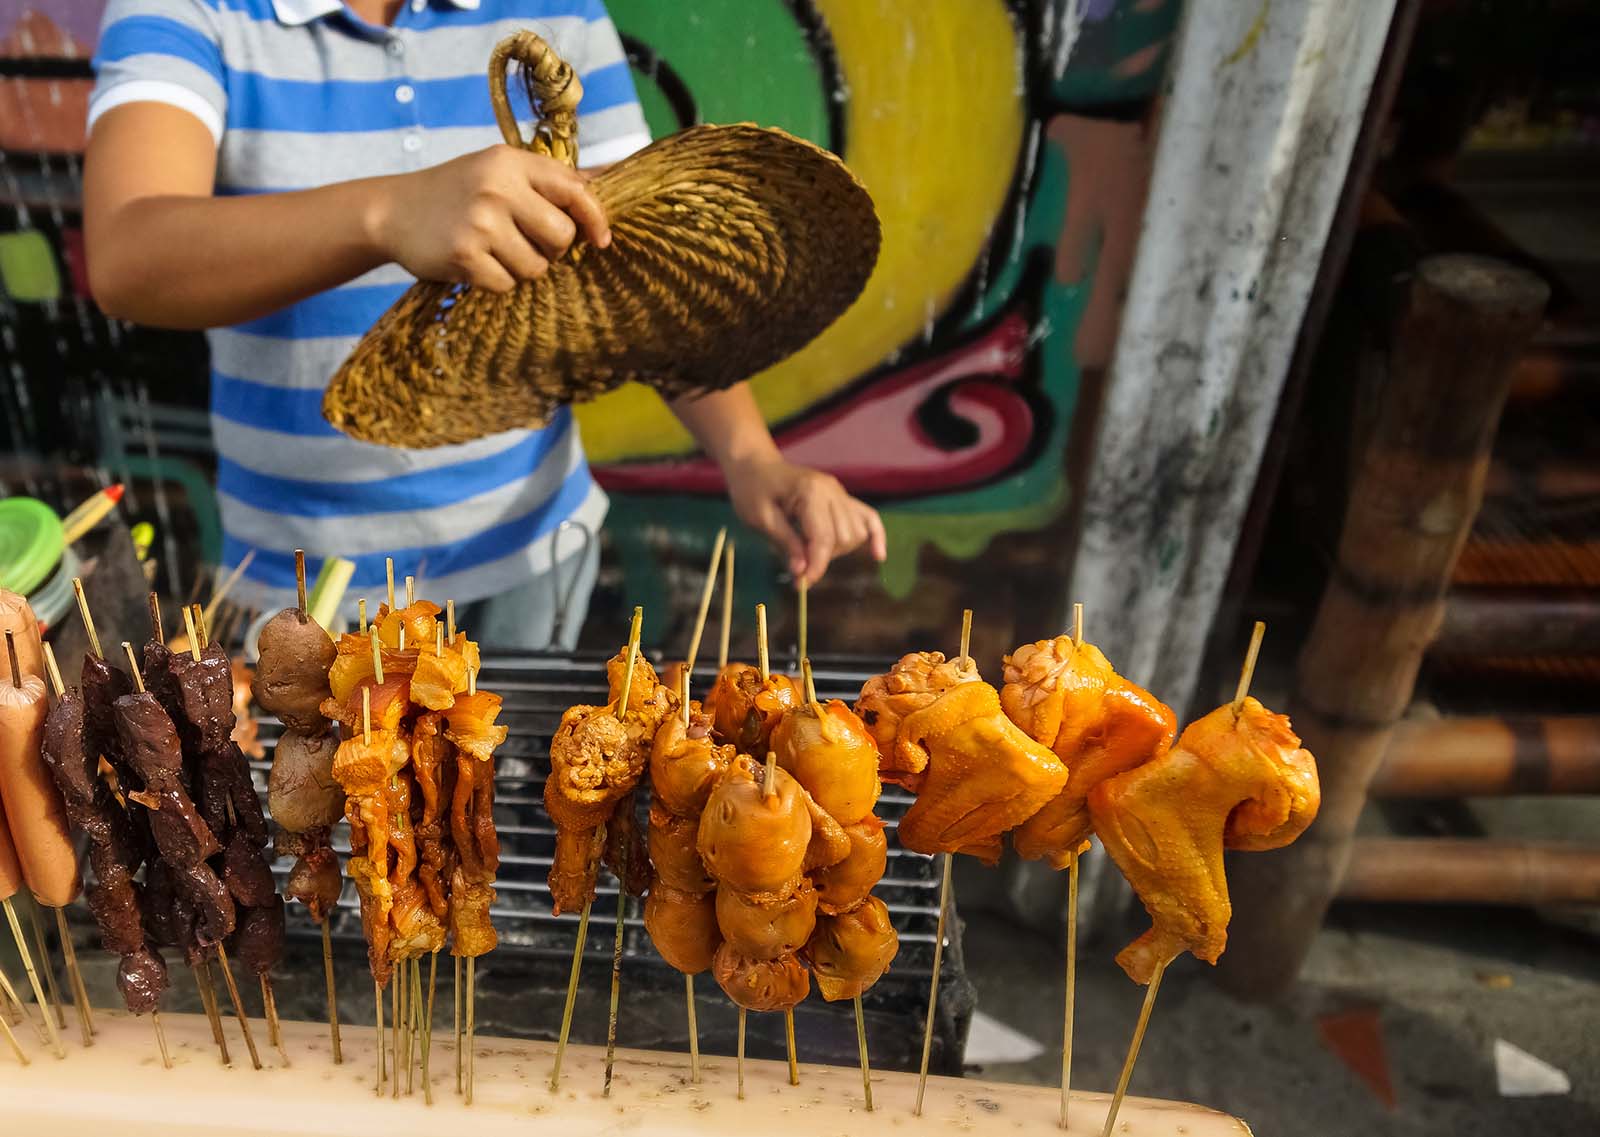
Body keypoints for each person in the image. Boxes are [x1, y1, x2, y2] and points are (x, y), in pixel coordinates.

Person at [82, 0, 885, 647]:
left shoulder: (554, 12)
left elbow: (641, 269)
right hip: (302, 593)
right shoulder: (190, 10)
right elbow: (126, 254)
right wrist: (388, 212)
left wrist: (752, 459)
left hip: (530, 561)